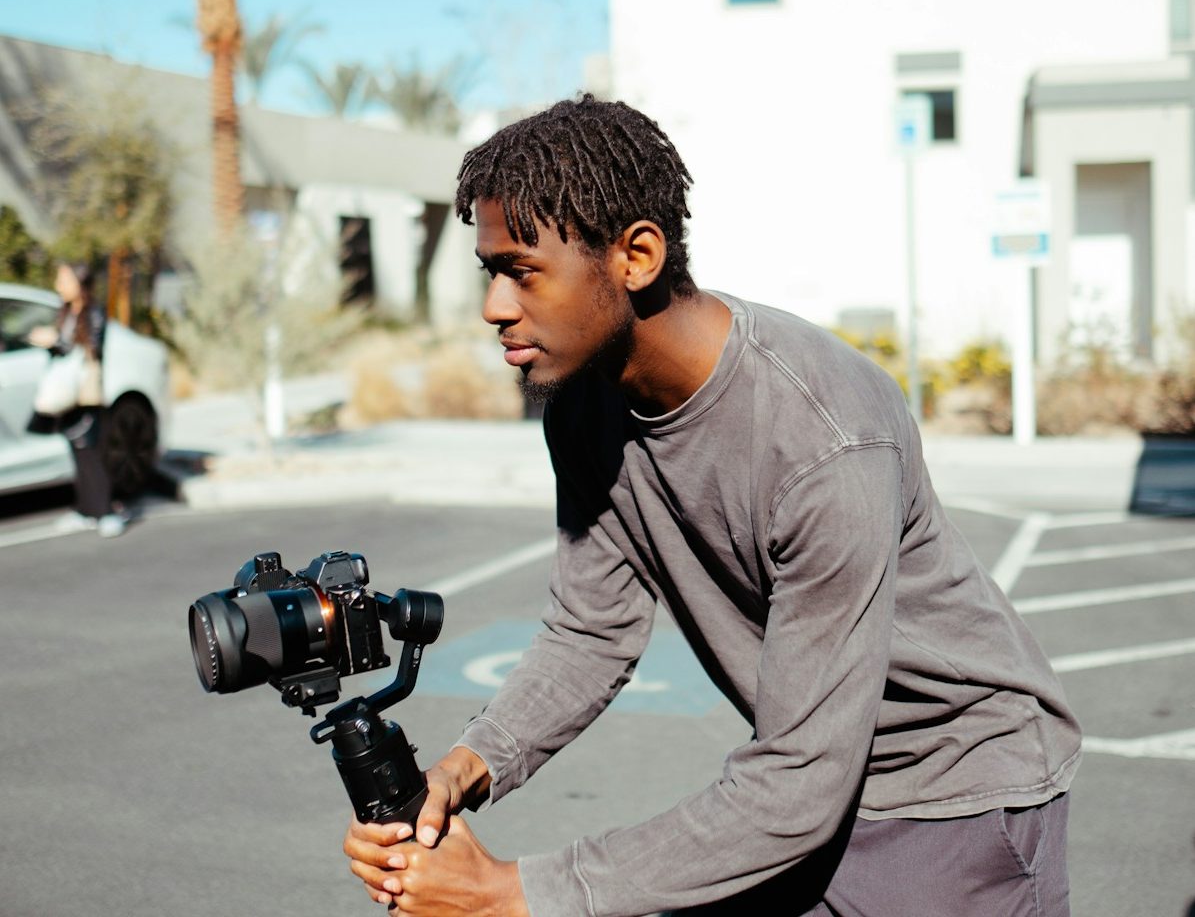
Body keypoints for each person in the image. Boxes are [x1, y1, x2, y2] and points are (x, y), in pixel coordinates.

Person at [343, 95, 1081, 916]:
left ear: (637, 255)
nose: (495, 306)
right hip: (807, 791)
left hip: (953, 796)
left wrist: (510, 894)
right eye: (490, 271)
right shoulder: (581, 409)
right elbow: (591, 631)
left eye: (523, 271)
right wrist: (464, 768)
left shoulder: (823, 435)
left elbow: (796, 784)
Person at [28, 261, 125, 539]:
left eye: (64, 280)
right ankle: (86, 510)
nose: (58, 286)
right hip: (68, 395)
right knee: (78, 452)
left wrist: (56, 340)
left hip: (86, 395)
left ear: (79, 283)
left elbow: (92, 348)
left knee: (92, 453)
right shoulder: (66, 312)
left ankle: (106, 512)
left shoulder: (93, 312)